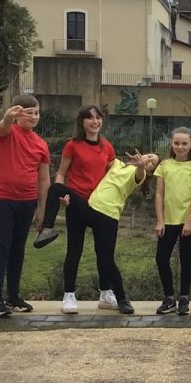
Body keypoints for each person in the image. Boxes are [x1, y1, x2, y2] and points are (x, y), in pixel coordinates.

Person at [34, 105, 117, 314]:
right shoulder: (73, 145)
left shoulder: (107, 147)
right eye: (90, 118)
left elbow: (113, 176)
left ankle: (106, 293)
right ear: (82, 122)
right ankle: (69, 295)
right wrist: (63, 196)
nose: (95, 121)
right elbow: (61, 173)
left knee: (104, 251)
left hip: (100, 205)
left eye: (98, 117)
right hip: (77, 202)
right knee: (74, 250)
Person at [0, 95, 50, 317]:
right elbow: (1, 128)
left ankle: (13, 295)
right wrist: (8, 117)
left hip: (27, 201)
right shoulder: (9, 132)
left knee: (18, 249)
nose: (33, 117)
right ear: (17, 114)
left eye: (36, 113)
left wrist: (42, 210)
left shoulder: (41, 144)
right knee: (1, 247)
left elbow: (44, 179)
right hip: (2, 199)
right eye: (28, 113)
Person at [80, 151, 161, 315]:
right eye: (149, 156)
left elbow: (139, 172)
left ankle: (121, 298)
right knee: (57, 189)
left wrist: (140, 166)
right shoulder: (117, 164)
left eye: (153, 162)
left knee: (106, 258)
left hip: (109, 214)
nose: (149, 159)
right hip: (91, 206)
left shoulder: (140, 175)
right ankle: (47, 226)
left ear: (150, 171)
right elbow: (99, 160)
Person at [153, 128, 191, 316]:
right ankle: (169, 297)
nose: (180, 147)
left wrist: (189, 221)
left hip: (189, 221)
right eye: (177, 143)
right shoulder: (164, 165)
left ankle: (184, 298)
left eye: (184, 143)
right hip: (168, 220)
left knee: (185, 259)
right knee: (161, 258)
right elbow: (159, 193)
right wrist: (160, 220)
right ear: (171, 144)